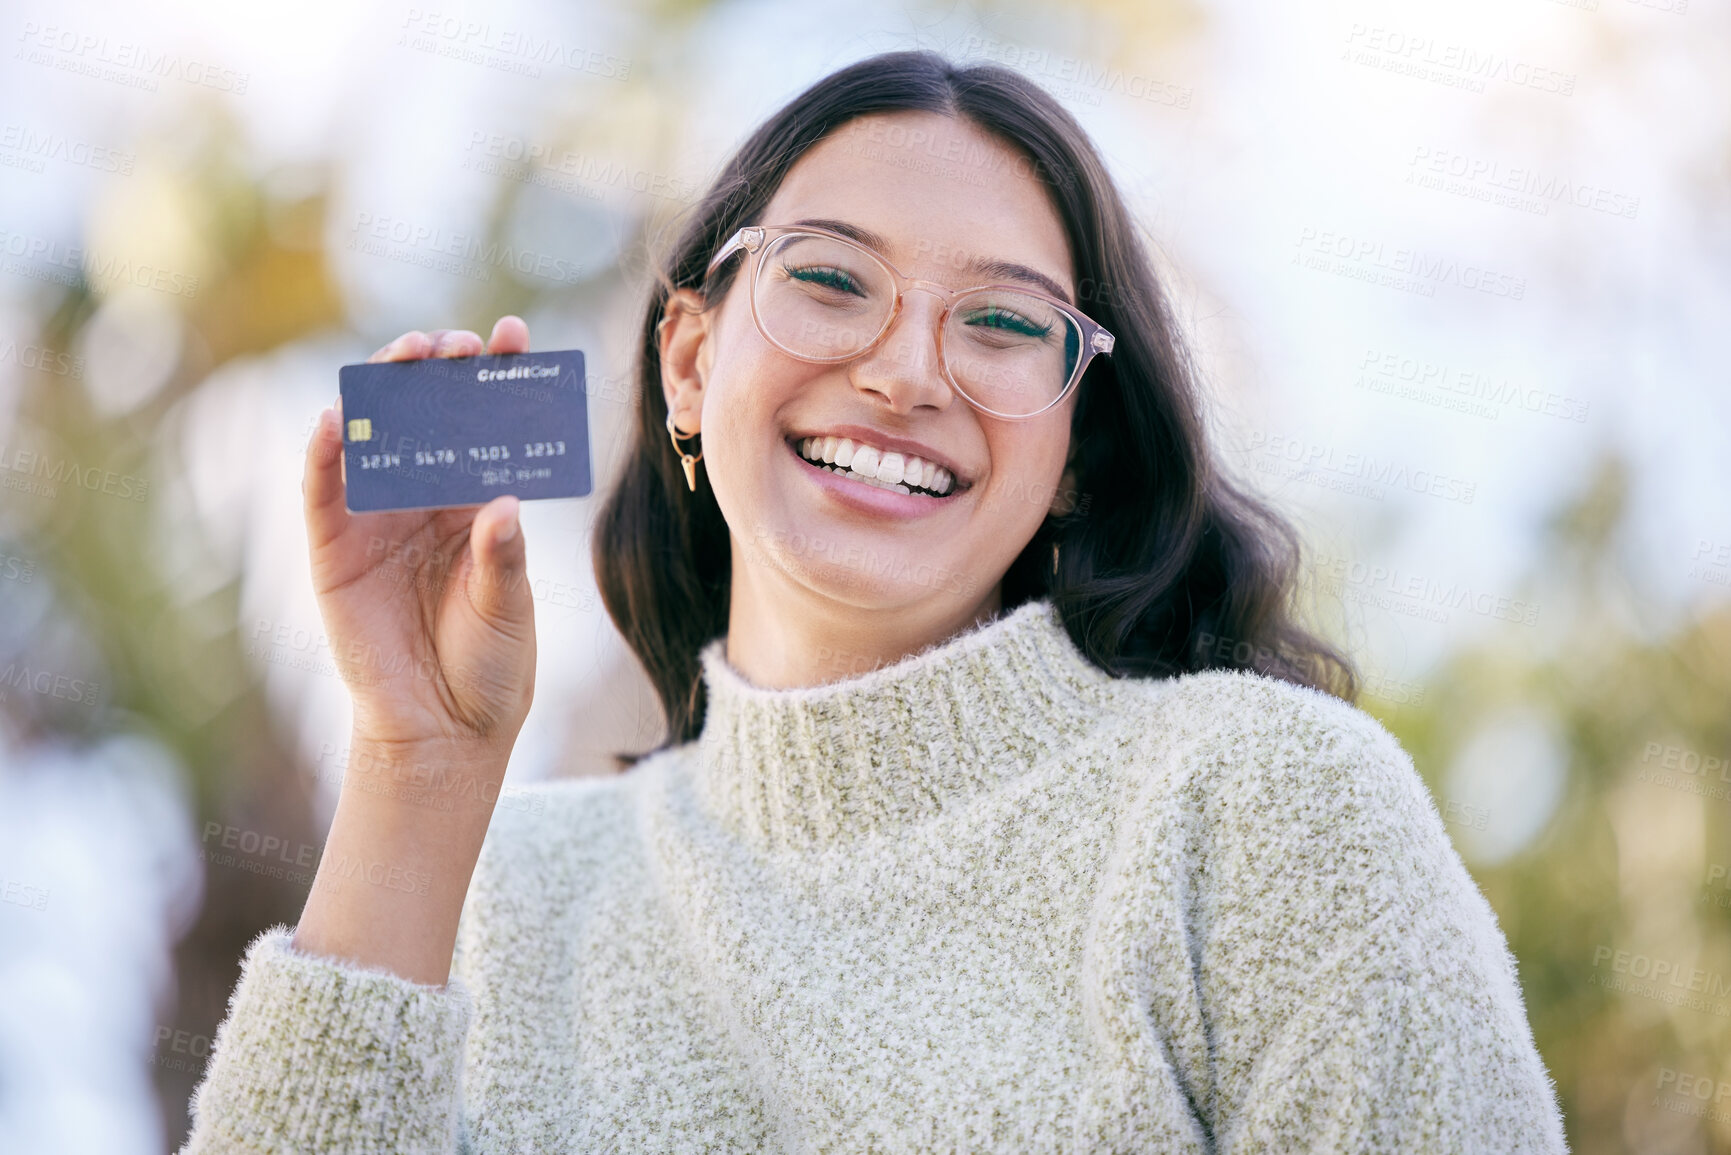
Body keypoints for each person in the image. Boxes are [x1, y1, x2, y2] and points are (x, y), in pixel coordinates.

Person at [179, 50, 1569, 1153]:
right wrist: (415, 767)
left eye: (1007, 322)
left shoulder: (1263, 807)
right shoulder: (504, 906)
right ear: (686, 360)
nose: (908, 372)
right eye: (834, 281)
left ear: (1077, 452)